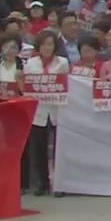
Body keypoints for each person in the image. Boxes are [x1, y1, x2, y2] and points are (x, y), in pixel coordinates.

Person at [24, 31, 69, 196]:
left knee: (58, 148)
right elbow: (27, 86)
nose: (47, 48)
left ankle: (60, 183)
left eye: (50, 44)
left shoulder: (62, 63)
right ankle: (42, 183)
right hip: (38, 110)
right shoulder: (30, 63)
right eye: (44, 44)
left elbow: (65, 85)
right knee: (39, 147)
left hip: (57, 109)